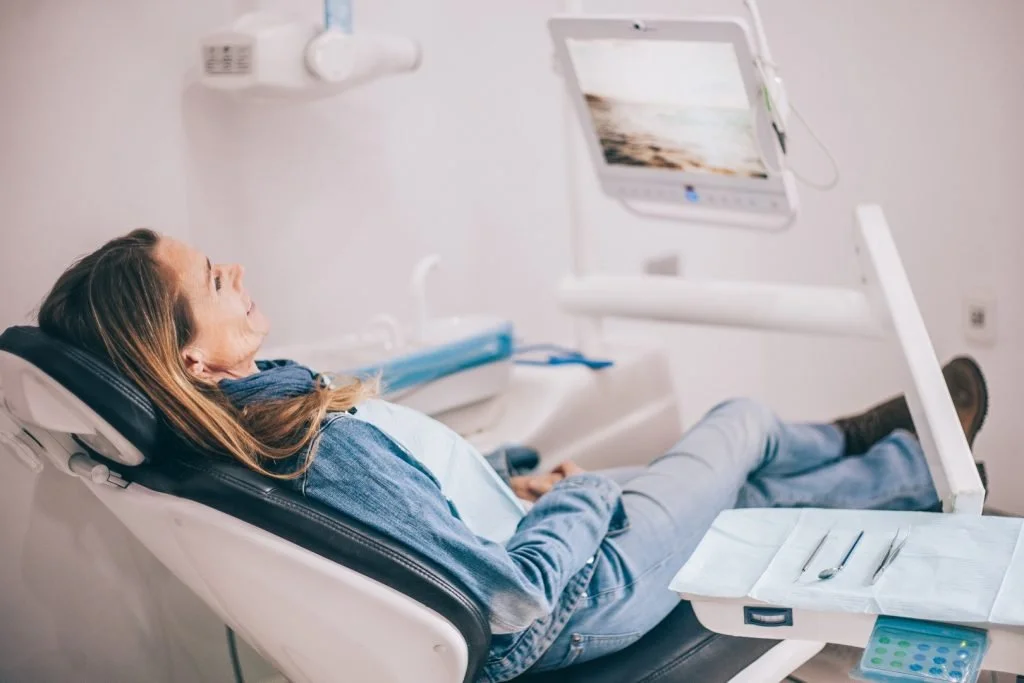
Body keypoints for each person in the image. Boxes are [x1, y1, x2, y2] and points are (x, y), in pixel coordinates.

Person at [36, 229, 989, 681]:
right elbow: (515, 603)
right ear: (188, 357)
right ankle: (902, 453)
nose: (235, 269)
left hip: (530, 542)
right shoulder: (297, 443)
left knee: (747, 481)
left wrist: (525, 485)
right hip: (580, 597)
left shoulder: (233, 431)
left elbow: (424, 529)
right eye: (211, 279)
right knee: (737, 423)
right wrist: (574, 506)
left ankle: (896, 462)